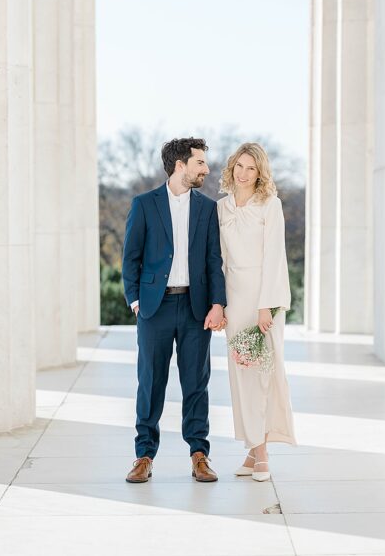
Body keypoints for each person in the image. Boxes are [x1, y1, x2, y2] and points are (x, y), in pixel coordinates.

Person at [122, 137, 227, 484]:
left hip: (196, 308)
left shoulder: (207, 207)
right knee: (150, 382)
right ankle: (144, 455)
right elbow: (131, 258)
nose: (206, 169)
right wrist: (136, 301)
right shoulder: (144, 204)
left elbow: (214, 261)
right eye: (200, 162)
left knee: (196, 382)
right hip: (156, 307)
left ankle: (199, 454)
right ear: (180, 164)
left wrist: (217, 303)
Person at [217, 142, 296, 482]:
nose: (244, 173)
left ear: (260, 172)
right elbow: (217, 260)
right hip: (235, 299)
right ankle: (252, 450)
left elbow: (275, 258)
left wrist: (267, 306)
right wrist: (219, 304)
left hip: (264, 300)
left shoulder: (270, 206)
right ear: (232, 167)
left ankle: (262, 452)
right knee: (241, 376)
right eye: (239, 166)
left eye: (251, 168)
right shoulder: (221, 208)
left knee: (263, 375)